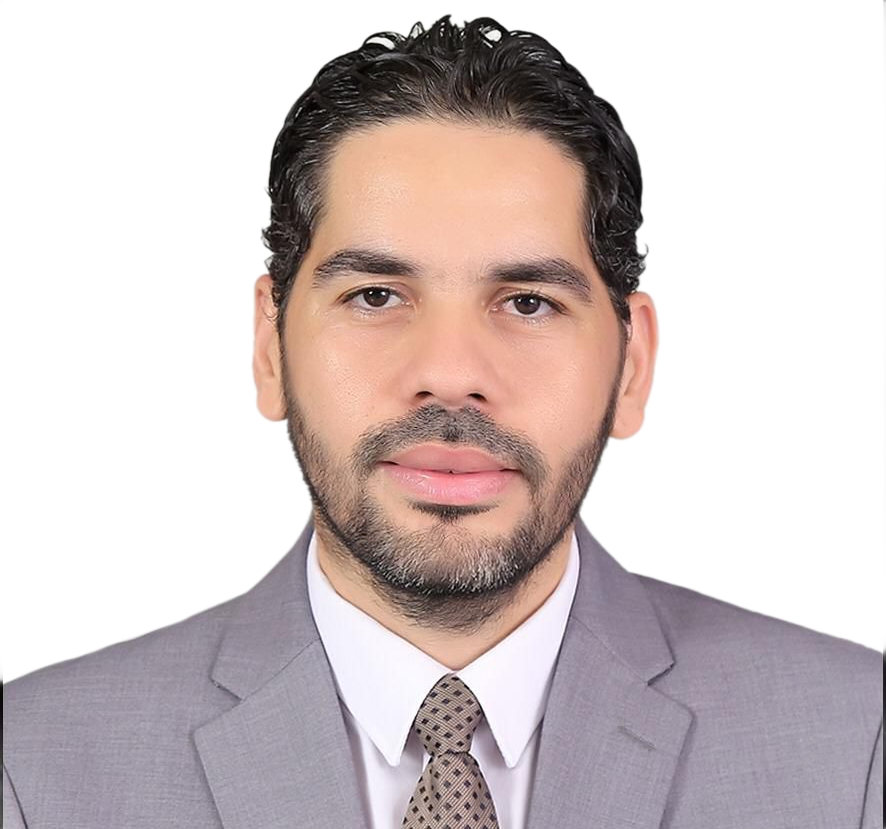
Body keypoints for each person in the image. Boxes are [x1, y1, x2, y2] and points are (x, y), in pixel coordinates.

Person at [3, 12, 882, 829]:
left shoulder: (861, 748)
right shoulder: (28, 768)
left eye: (529, 302)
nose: (452, 375)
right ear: (267, 347)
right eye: (376, 294)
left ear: (634, 363)